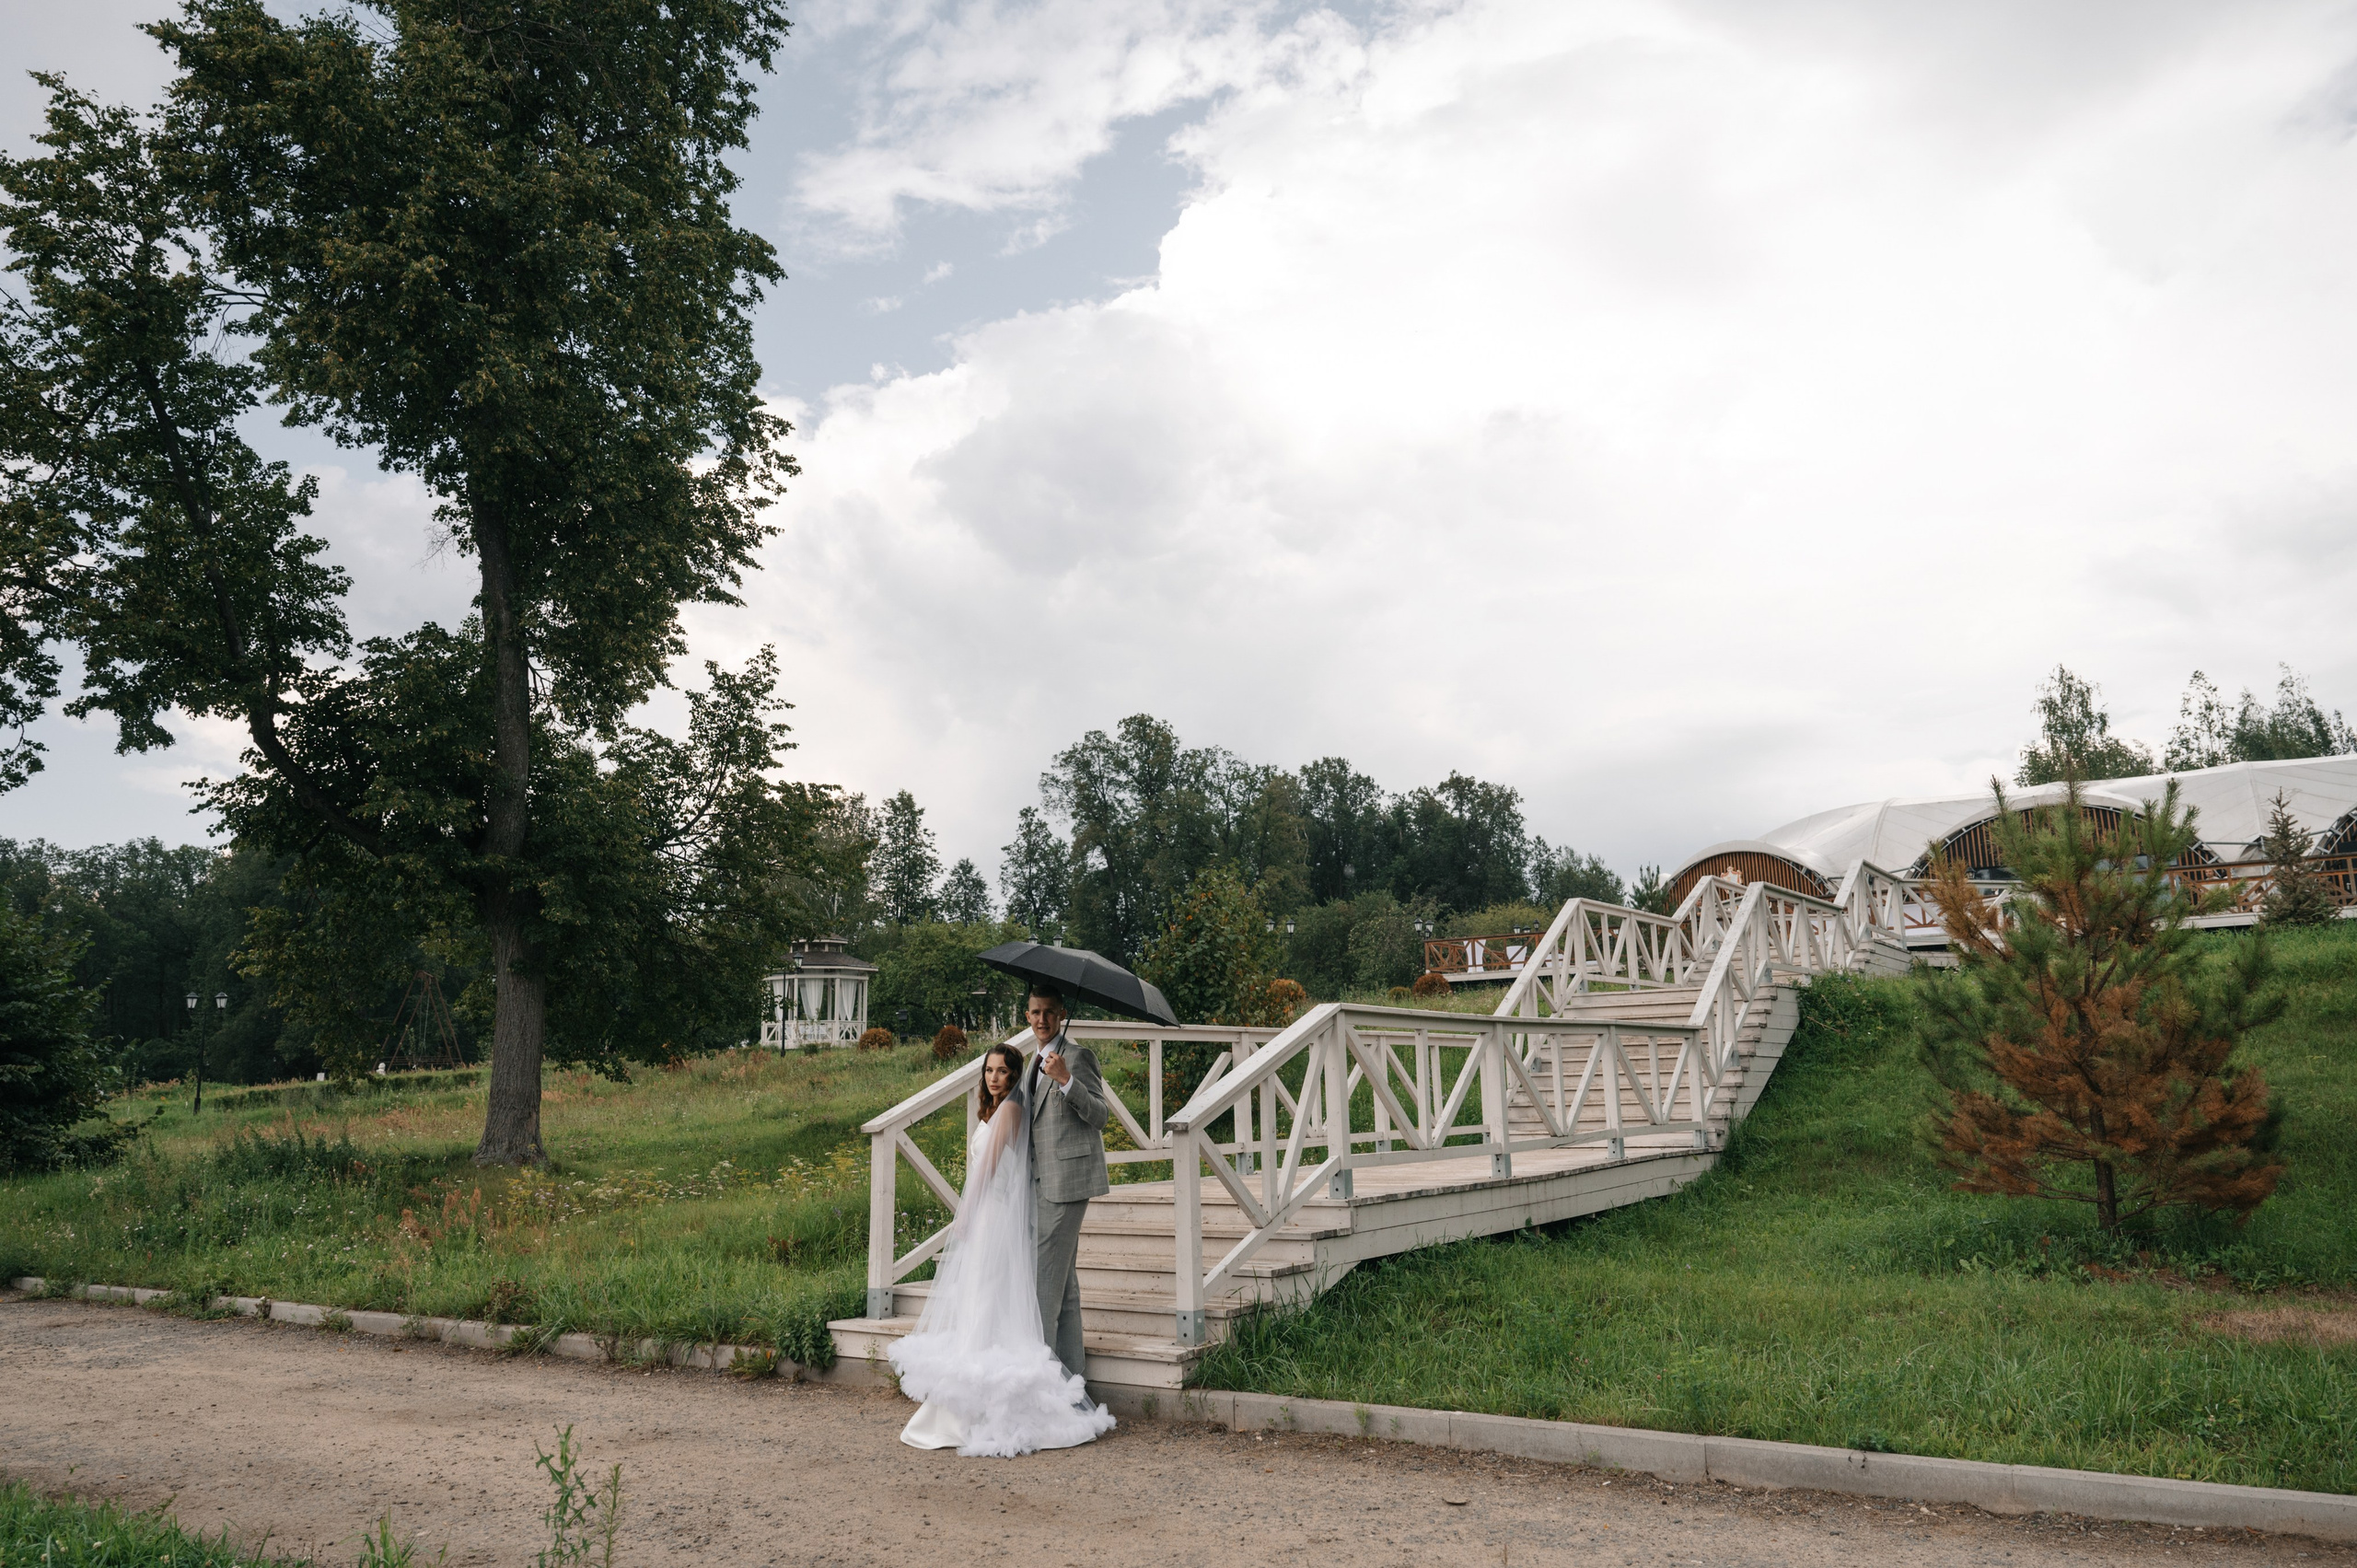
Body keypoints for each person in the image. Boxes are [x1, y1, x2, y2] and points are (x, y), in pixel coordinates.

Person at [890, 1042, 1115, 1457]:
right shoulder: (996, 1111)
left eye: (1002, 1072)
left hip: (991, 1218)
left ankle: (1003, 1402)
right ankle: (984, 1398)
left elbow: (988, 1170)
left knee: (986, 1302)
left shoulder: (1010, 1111)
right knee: (982, 1303)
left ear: (1014, 1076)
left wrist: (966, 1217)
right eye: (989, 1071)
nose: (995, 1078)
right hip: (994, 1217)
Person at [1021, 982, 1109, 1381]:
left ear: (1061, 1016)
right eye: (1036, 1012)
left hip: (1068, 1183)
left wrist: (1066, 1081)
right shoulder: (1029, 1061)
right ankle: (1074, 1388)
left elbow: (1101, 1116)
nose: (1043, 1020)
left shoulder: (1076, 1057)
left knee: (1044, 1285)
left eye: (1050, 1013)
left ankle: (1040, 1387)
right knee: (1066, 1290)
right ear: (1027, 1016)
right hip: (1039, 1183)